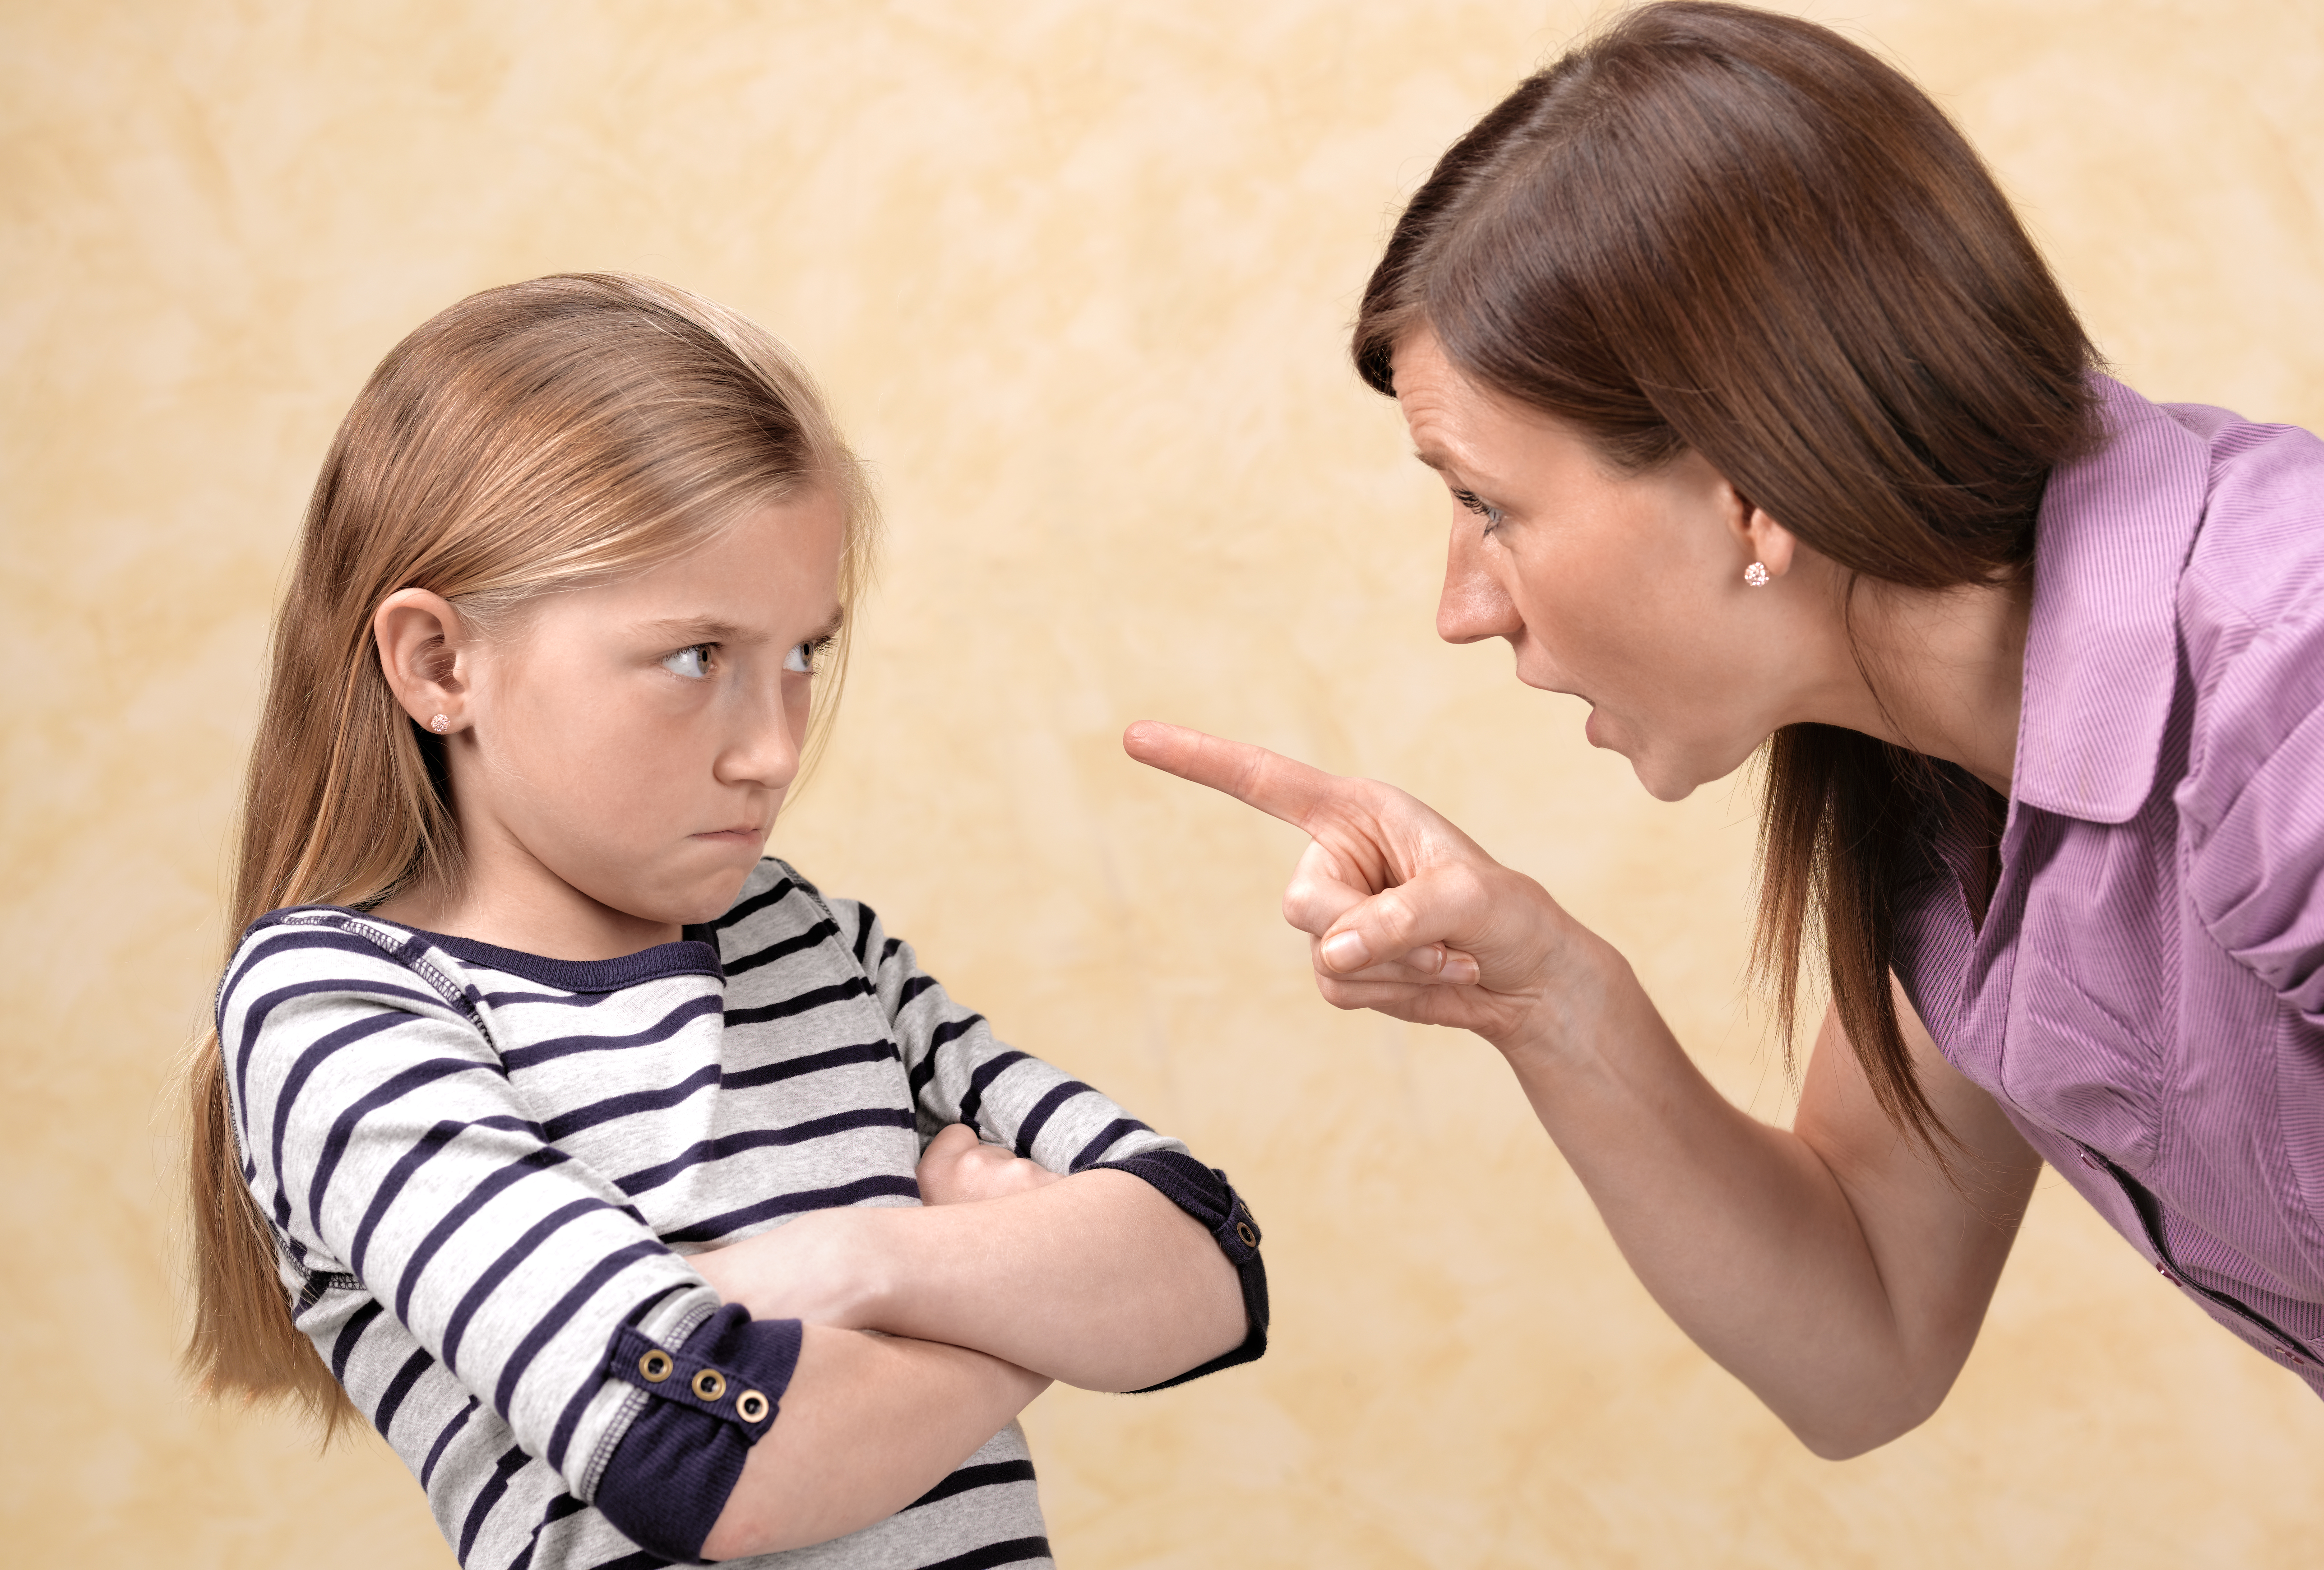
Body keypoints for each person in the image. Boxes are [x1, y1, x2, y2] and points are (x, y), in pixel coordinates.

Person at [1127, 0, 2324, 1458]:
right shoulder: (1948, 792)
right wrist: (1546, 998)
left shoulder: (2288, 680)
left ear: (1754, 491)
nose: (1460, 606)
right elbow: (1868, 1336)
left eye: (1488, 503)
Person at [187, 273, 1266, 1569]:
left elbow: (1209, 1268)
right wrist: (1026, 1295)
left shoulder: (810, 941)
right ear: (439, 664)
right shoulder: (339, 1009)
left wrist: (863, 1263)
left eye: (803, 652)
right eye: (697, 658)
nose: (770, 751)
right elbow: (711, 1462)